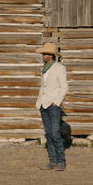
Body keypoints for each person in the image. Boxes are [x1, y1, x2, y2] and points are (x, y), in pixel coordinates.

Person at [35, 42, 68, 171]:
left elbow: (64, 87)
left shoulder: (59, 68)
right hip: (43, 104)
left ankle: (61, 161)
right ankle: (52, 161)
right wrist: (39, 103)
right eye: (43, 53)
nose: (43, 56)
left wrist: (56, 102)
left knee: (55, 133)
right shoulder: (44, 68)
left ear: (51, 55)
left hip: (53, 105)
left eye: (45, 54)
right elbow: (43, 87)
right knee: (48, 134)